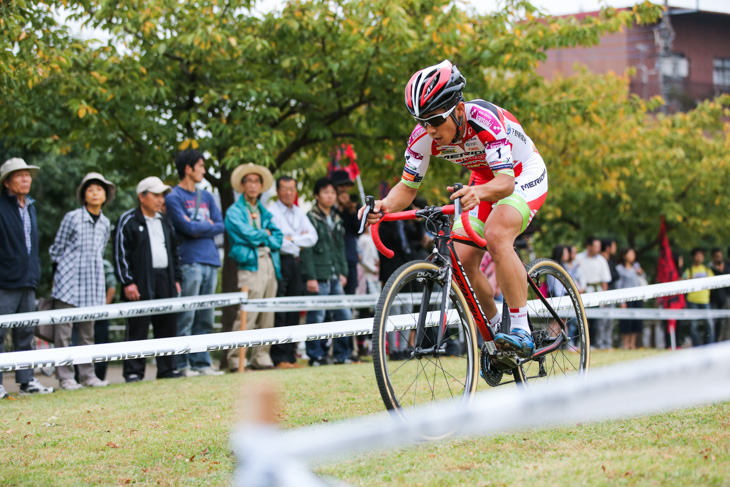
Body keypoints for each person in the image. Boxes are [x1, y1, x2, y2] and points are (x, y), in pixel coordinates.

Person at [361, 60, 548, 358]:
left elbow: (505, 182)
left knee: (497, 234)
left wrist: (478, 191)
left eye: (436, 119)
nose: (430, 129)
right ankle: (498, 331)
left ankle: (521, 329)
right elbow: (407, 189)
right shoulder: (422, 136)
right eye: (422, 121)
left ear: (458, 110)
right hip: (482, 180)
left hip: (521, 174)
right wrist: (384, 205)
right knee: (460, 260)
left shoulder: (484, 119)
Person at [113, 177, 184, 382]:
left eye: (162, 195)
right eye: (156, 195)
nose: (160, 200)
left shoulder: (165, 221)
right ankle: (134, 371)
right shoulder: (128, 220)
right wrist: (127, 281)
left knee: (167, 324)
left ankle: (168, 368)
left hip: (165, 278)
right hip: (139, 280)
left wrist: (176, 278)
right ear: (141, 197)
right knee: (137, 326)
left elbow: (174, 251)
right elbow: (120, 253)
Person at [49, 172, 114, 390]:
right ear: (83, 195)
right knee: (64, 333)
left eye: (99, 189)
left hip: (93, 282)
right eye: (90, 189)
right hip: (68, 280)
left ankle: (88, 375)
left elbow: (100, 251)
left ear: (105, 195)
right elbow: (57, 249)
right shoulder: (72, 217)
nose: (95, 193)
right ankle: (66, 377)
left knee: (88, 333)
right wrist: (56, 276)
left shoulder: (105, 222)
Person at [165, 150, 225, 377]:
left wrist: (198, 225)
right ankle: (183, 364)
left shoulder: (207, 197)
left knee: (206, 315)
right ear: (188, 169)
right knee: (187, 315)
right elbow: (186, 227)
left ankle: (202, 363)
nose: (204, 170)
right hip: (189, 261)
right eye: (200, 166)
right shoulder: (174, 197)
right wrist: (204, 225)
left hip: (211, 259)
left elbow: (220, 225)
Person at [0, 158, 54, 398]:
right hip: (4, 282)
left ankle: (27, 381)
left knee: (25, 334)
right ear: (7, 181)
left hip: (28, 281)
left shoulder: (30, 206)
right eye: (19, 175)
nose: (25, 179)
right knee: (0, 333)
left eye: (27, 175)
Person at [225, 163, 283, 371]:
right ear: (242, 185)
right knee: (247, 313)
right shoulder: (234, 211)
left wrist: (263, 237)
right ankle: (235, 359)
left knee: (268, 312)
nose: (253, 185)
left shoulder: (263, 210)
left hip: (269, 261)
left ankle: (261, 357)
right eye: (248, 181)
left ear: (261, 185)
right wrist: (264, 235)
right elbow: (245, 234)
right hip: (250, 263)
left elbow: (278, 237)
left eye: (256, 181)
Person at [301, 178, 356, 366]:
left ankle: (343, 354)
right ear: (317, 196)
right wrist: (310, 276)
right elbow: (306, 248)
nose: (330, 196)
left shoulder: (337, 218)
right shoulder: (310, 218)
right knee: (316, 316)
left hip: (335, 274)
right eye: (325, 192)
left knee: (344, 314)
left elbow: (341, 248)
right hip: (319, 275)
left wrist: (343, 272)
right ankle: (315, 355)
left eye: (332, 192)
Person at [267, 175, 317, 369]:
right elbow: (278, 241)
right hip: (280, 262)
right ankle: (279, 357)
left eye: (291, 189)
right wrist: (297, 239)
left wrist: (291, 239)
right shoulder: (272, 212)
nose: (288, 192)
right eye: (284, 188)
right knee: (280, 309)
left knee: (295, 308)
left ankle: (290, 356)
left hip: (296, 263)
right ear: (278, 191)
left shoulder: (298, 211)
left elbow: (313, 237)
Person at [575, 237, 611, 349]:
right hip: (582, 292)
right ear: (589, 246)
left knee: (595, 321)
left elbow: (605, 280)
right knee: (581, 319)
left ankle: (593, 344)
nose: (598, 249)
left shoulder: (601, 260)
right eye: (596, 246)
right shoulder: (578, 258)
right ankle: (578, 343)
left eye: (599, 246)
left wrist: (604, 297)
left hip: (596, 292)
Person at [682, 247, 715, 346]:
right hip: (692, 301)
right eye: (697, 255)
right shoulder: (689, 270)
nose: (699, 258)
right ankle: (696, 347)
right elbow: (683, 282)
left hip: (705, 301)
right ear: (693, 257)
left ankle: (709, 345)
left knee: (709, 325)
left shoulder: (707, 270)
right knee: (693, 325)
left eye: (701, 256)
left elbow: (714, 283)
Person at [615, 248, 645, 350]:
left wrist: (641, 273)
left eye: (633, 253)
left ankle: (632, 344)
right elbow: (618, 285)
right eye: (630, 253)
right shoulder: (619, 268)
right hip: (626, 297)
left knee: (635, 321)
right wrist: (621, 301)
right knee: (625, 322)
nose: (633, 255)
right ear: (624, 255)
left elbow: (642, 279)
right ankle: (625, 344)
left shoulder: (636, 266)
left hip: (637, 297)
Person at [709, 248, 728, 341]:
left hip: (724, 298)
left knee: (723, 323)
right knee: (712, 323)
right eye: (717, 257)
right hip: (713, 299)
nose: (719, 259)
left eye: (720, 256)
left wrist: (722, 270)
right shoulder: (709, 268)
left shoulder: (726, 266)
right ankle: (713, 341)